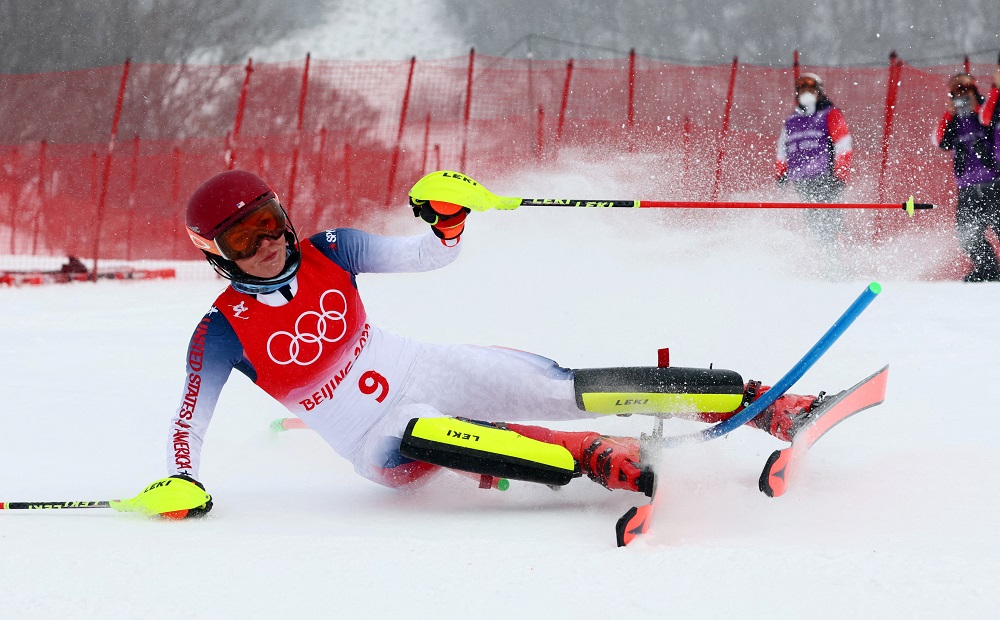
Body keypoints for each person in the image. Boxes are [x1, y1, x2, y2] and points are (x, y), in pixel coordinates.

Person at [140, 170, 823, 518]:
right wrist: (184, 478)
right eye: (242, 239)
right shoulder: (220, 330)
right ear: (217, 254)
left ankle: (763, 403)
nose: (264, 245)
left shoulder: (333, 249)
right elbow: (187, 419)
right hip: (378, 443)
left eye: (267, 223)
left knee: (564, 387)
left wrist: (446, 223)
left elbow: (430, 257)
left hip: (420, 365)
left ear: (284, 216)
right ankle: (602, 457)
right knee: (433, 435)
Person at [932, 72, 1000, 282]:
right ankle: (987, 269)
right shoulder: (954, 120)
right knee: (967, 235)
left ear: (973, 91)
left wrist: (976, 106)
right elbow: (939, 141)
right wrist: (950, 113)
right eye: (956, 93)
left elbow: (989, 116)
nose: (962, 97)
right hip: (968, 187)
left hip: (993, 183)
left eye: (965, 91)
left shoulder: (985, 112)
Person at [775, 72, 854, 248]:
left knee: (831, 222)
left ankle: (843, 263)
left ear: (819, 91)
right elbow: (782, 149)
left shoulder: (829, 113)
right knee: (815, 225)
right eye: (802, 89)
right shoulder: (792, 120)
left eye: (810, 88)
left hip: (826, 179)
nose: (806, 92)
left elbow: (843, 144)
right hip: (802, 181)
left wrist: (840, 175)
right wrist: (781, 174)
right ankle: (829, 263)